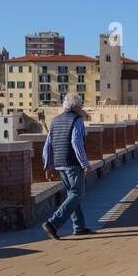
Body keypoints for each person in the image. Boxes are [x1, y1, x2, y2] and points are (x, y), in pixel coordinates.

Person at [41, 93, 95, 239]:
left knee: (73, 195)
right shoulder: (77, 120)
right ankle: (53, 223)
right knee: (77, 194)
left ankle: (79, 227)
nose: (82, 108)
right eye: (81, 106)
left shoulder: (55, 120)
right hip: (72, 163)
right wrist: (85, 163)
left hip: (60, 164)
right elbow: (76, 142)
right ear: (76, 106)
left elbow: (48, 144)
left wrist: (48, 165)